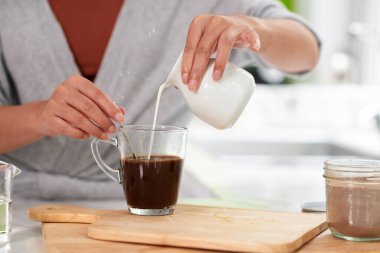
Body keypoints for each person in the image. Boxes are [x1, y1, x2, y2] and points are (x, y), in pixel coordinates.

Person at [0, 0, 320, 200]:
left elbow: (307, 49)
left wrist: (254, 27)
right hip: (18, 202)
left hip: (159, 204)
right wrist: (35, 117)